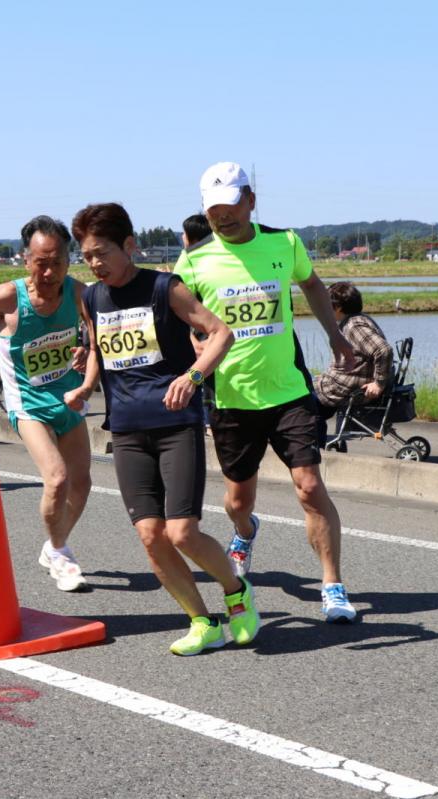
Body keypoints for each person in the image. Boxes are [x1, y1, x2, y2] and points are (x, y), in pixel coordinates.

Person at [66, 202, 257, 654]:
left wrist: (192, 378)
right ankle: (201, 620)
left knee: (182, 532)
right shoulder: (91, 297)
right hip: (127, 431)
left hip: (175, 426)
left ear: (129, 246)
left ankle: (235, 591)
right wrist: (86, 384)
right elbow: (97, 348)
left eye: (101, 253)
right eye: (87, 255)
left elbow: (221, 333)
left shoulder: (163, 287)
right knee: (150, 535)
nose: (94, 264)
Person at [175, 162, 358, 623]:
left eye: (231, 205)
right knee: (239, 501)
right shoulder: (194, 260)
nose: (223, 216)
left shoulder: (285, 242)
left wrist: (336, 337)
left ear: (250, 200)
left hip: (289, 391)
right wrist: (193, 345)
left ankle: (332, 586)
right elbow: (180, 318)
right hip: (232, 398)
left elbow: (313, 285)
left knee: (310, 486)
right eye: (214, 210)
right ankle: (244, 530)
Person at [0, 216, 93, 592]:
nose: (50, 271)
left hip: (69, 399)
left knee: (82, 485)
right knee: (56, 478)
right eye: (41, 262)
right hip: (28, 406)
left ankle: (53, 546)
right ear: (26, 259)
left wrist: (86, 352)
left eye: (58, 262)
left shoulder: (78, 293)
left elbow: (100, 337)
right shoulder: (9, 297)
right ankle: (60, 553)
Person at [314, 282, 393, 442]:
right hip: (344, 384)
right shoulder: (358, 320)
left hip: (345, 388)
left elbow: (383, 350)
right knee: (306, 386)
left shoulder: (354, 326)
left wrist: (379, 383)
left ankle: (315, 442)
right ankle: (320, 439)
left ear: (337, 307)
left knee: (298, 396)